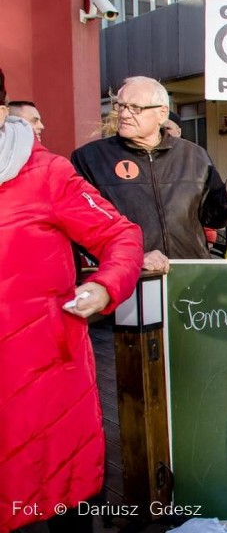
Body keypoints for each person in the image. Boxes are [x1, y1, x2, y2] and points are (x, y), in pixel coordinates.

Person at [0, 69, 143, 533]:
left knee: (60, 502)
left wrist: (104, 287)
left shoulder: (45, 173)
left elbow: (121, 235)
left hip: (42, 381)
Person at [71, 76, 227, 272]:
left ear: (162, 113)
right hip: (128, 280)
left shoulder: (194, 155)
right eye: (120, 106)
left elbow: (213, 218)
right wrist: (132, 258)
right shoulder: (90, 158)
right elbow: (83, 226)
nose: (124, 114)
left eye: (135, 108)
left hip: (189, 277)